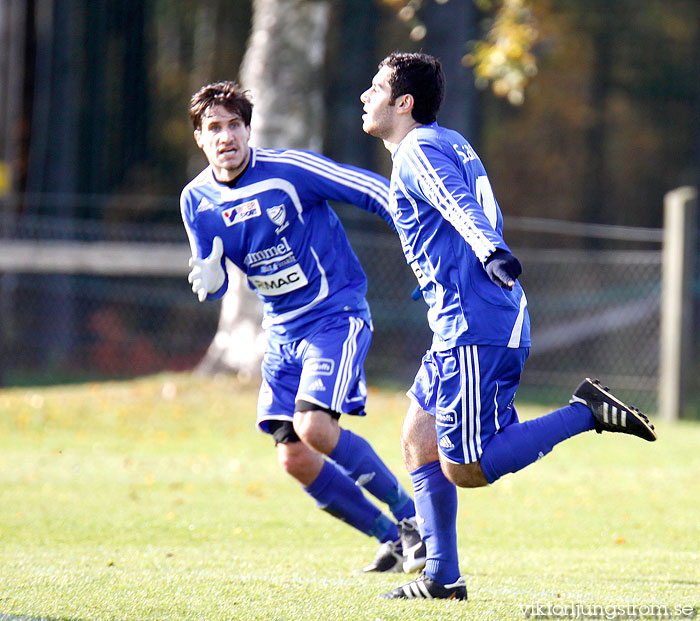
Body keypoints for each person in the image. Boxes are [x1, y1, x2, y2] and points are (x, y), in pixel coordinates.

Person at [360, 52, 657, 600]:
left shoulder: (418, 149)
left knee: (468, 467)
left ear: (404, 103)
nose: (365, 96)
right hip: (458, 321)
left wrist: (492, 251)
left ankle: (584, 412)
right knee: (418, 440)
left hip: (476, 322)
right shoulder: (447, 141)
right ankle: (442, 579)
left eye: (376, 88)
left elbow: (457, 207)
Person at [180, 80, 426, 575]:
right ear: (200, 140)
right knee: (293, 456)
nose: (226, 136)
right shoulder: (195, 201)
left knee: (315, 427)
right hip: (282, 332)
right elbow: (212, 266)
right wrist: (208, 271)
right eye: (214, 128)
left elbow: (373, 190)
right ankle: (390, 540)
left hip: (335, 314)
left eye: (234, 125)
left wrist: (421, 242)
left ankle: (414, 520)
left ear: (249, 130)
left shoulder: (290, 171)